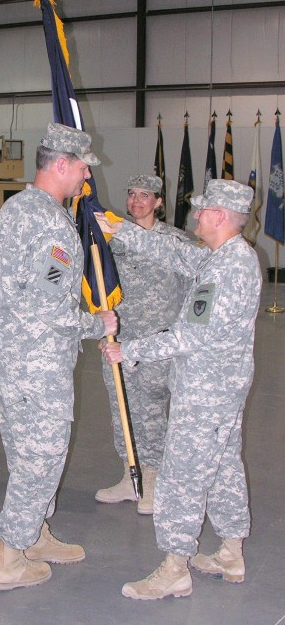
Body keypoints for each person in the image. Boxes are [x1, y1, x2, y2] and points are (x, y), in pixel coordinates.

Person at [98, 179, 261, 600]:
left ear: (221, 217)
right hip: (220, 387)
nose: (195, 216)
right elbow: (178, 254)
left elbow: (190, 336)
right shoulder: (224, 257)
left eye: (204, 210)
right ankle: (230, 551)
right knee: (223, 465)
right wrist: (124, 230)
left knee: (181, 476)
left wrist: (128, 350)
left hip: (206, 392)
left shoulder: (227, 267)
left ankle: (175, 566)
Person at [0, 123, 118, 592]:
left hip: (16, 356)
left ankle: (35, 534)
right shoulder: (45, 219)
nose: (86, 176)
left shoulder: (20, 208)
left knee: (29, 452)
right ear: (61, 164)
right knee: (40, 456)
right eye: (83, 166)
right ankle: (10, 555)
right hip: (36, 362)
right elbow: (45, 307)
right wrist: (96, 324)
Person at [96, 174, 189, 515]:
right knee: (121, 409)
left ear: (159, 203)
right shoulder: (114, 241)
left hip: (156, 344)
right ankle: (129, 476)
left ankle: (152, 482)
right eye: (132, 194)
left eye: (145, 196)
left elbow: (192, 291)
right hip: (120, 340)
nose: (136, 201)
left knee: (151, 413)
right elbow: (100, 285)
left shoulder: (175, 242)